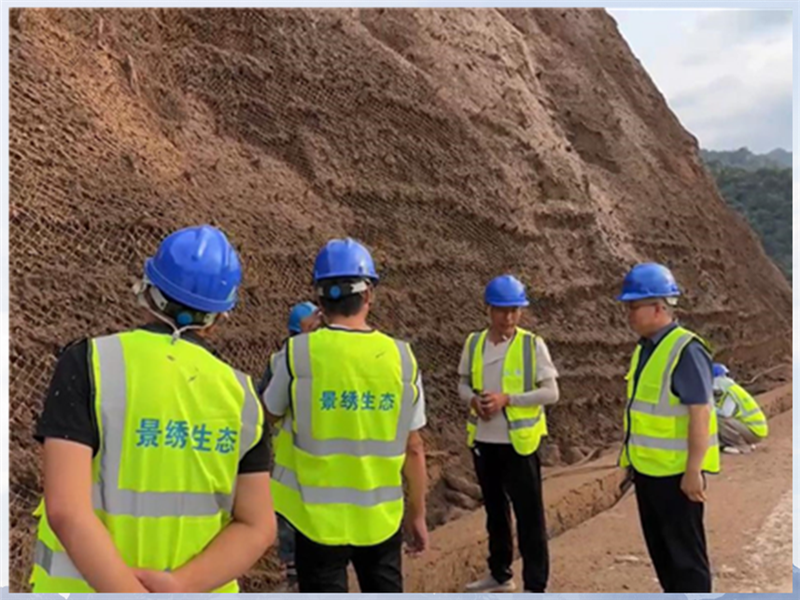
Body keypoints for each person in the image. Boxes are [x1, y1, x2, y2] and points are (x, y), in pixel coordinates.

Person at [30, 224, 276, 593]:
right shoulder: (243, 396)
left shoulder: (90, 363)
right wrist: (179, 584)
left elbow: (67, 510)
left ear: (148, 290)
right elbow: (257, 526)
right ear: (217, 318)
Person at [264, 237, 429, 593]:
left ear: (320, 300)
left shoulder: (298, 354)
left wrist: (300, 343)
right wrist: (417, 514)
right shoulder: (401, 359)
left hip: (315, 519)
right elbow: (414, 448)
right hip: (380, 519)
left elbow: (268, 415)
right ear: (368, 294)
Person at [617, 262, 720, 593]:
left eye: (634, 306)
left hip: (676, 477)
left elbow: (700, 413)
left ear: (659, 307)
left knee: (686, 563)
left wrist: (693, 471)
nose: (629, 314)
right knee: (664, 558)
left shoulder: (685, 350)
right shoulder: (645, 349)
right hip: (648, 472)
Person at [460, 275, 559, 594]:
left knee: (530, 517)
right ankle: (500, 573)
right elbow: (462, 384)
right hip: (484, 442)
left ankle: (535, 585)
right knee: (495, 512)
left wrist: (508, 400)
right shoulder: (474, 343)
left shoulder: (532, 345)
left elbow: (551, 393)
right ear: (488, 309)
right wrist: (473, 400)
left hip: (520, 444)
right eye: (503, 310)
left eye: (515, 310)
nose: (509, 317)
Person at [257, 300, 322, 590]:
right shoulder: (310, 357)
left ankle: (294, 577)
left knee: (288, 518)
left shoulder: (279, 360)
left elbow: (265, 406)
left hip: (287, 458)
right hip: (317, 455)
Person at [712, 363, 768, 454]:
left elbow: (726, 413)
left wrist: (709, 409)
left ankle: (741, 446)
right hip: (755, 430)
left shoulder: (729, 391)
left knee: (719, 419)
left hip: (754, 431)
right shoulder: (732, 389)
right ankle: (745, 442)